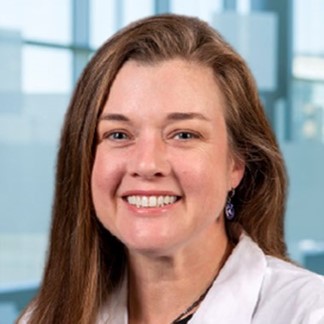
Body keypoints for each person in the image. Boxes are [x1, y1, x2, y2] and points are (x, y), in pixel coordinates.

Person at [18, 14, 324, 324]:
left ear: (237, 163)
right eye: (119, 135)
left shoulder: (309, 313)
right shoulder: (43, 317)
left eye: (184, 134)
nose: (147, 164)